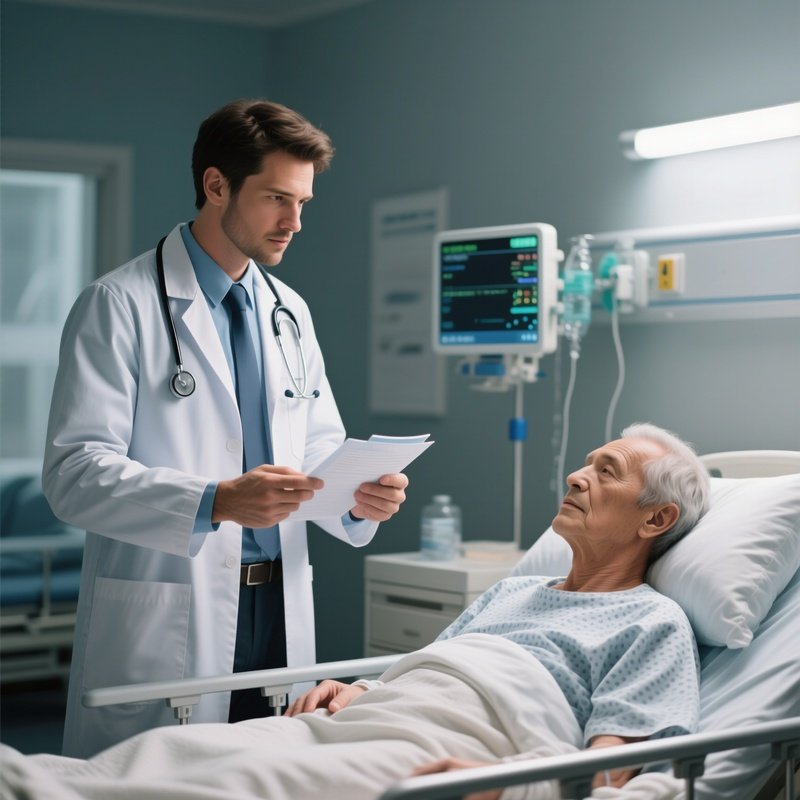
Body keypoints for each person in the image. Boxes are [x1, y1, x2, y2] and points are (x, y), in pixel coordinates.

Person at [11, 423, 708, 800]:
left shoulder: (651, 624)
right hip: (369, 718)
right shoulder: (515, 592)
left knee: (248, 785)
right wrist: (361, 688)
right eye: (587, 461)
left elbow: (615, 771)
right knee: (172, 754)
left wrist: (506, 783)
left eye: (607, 471)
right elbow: (429, 668)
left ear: (657, 520)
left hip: (448, 748)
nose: (578, 475)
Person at [41, 99, 409, 758]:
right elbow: (73, 475)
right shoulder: (118, 305)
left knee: (265, 774)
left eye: (303, 203)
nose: (294, 222)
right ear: (216, 186)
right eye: (276, 198)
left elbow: (318, 445)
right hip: (171, 609)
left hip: (278, 608)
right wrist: (214, 501)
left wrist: (360, 496)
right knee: (165, 780)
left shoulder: (288, 311)